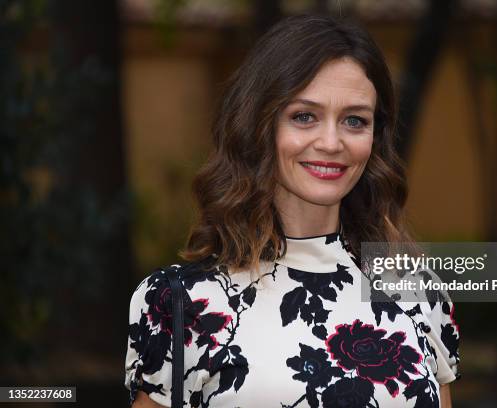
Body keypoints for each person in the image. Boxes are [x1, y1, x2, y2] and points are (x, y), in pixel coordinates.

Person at [125, 14, 460, 408]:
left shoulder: (418, 290)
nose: (331, 142)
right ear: (259, 124)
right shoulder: (178, 302)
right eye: (304, 116)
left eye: (355, 120)